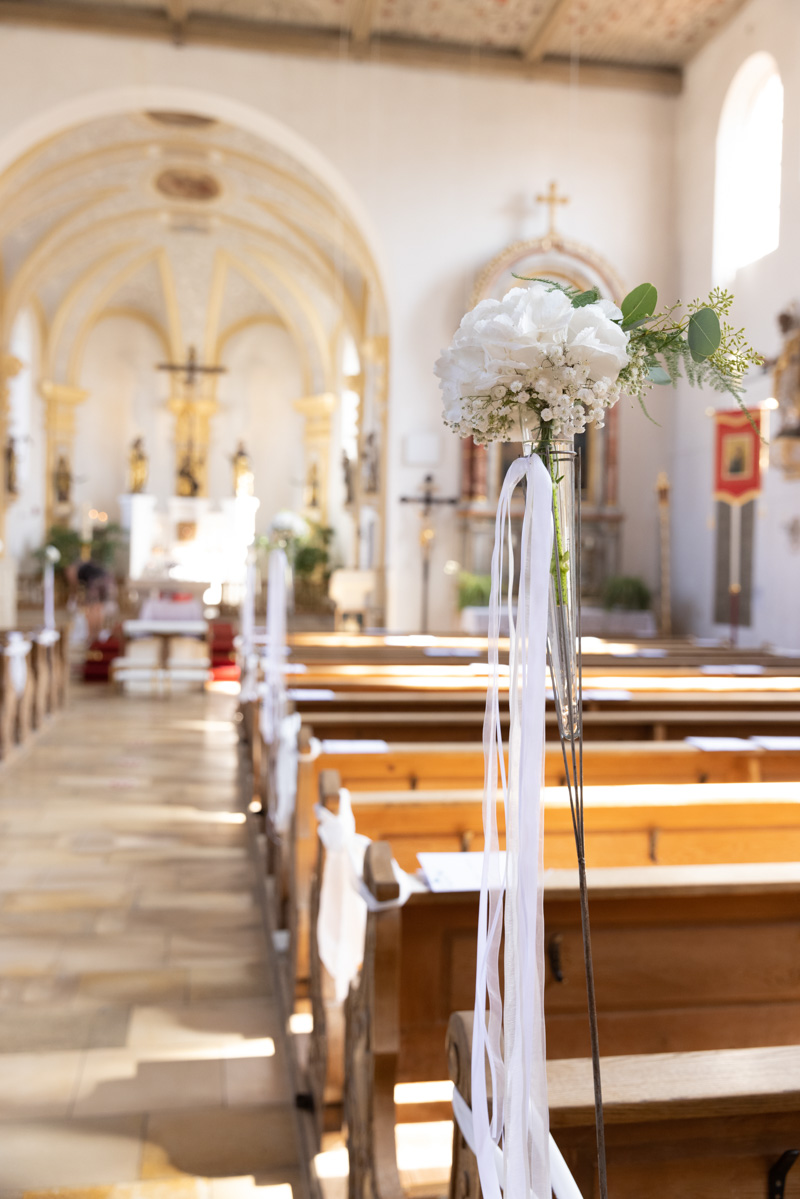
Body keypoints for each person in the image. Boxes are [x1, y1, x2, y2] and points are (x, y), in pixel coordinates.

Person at [66, 557, 117, 643]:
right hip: (108, 581)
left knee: (92, 609)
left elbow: (74, 581)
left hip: (96, 582)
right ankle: (96, 635)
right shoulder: (86, 567)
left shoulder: (75, 570)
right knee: (99, 608)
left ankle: (92, 636)